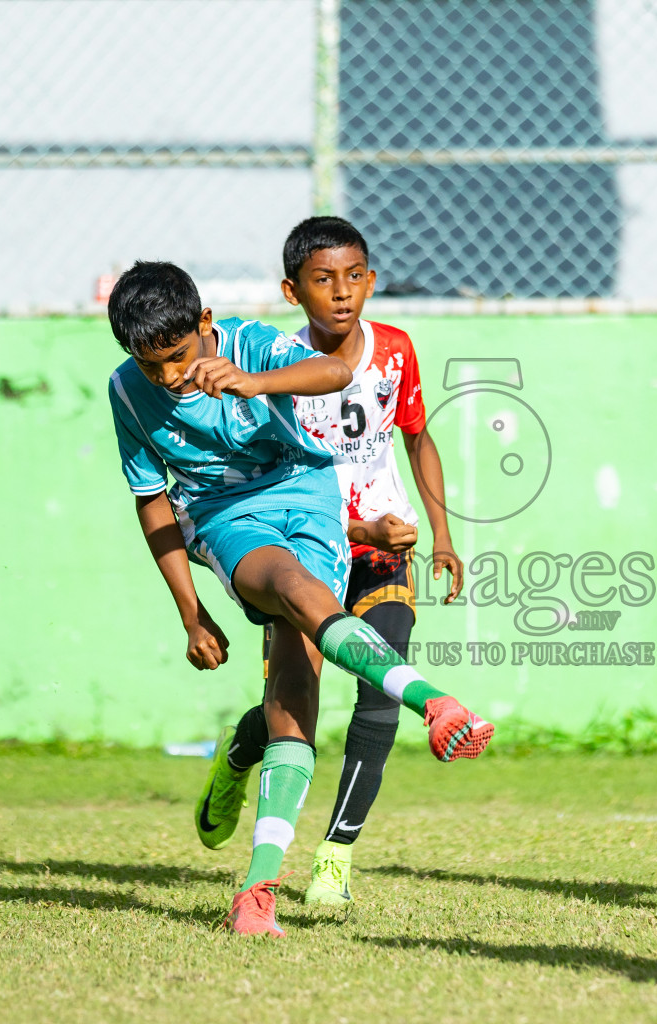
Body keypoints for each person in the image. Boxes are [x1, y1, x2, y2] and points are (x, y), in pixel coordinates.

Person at [104, 261, 492, 937]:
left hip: (310, 497)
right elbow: (153, 504)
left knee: (293, 695)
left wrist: (254, 383)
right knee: (287, 585)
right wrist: (191, 613)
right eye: (148, 363)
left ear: (204, 325)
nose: (166, 376)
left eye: (176, 357)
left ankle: (256, 885)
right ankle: (435, 702)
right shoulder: (128, 392)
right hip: (227, 519)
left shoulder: (251, 345)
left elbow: (333, 373)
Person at [220, 216, 466, 908]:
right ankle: (240, 755)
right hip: (308, 550)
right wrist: (359, 525)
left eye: (353, 277)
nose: (341, 293)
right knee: (293, 701)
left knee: (384, 684)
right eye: (322, 280)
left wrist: (441, 534)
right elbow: (272, 480)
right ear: (291, 289)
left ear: (372, 281)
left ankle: (337, 852)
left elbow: (417, 438)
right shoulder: (276, 368)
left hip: (384, 556)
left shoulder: (395, 351)